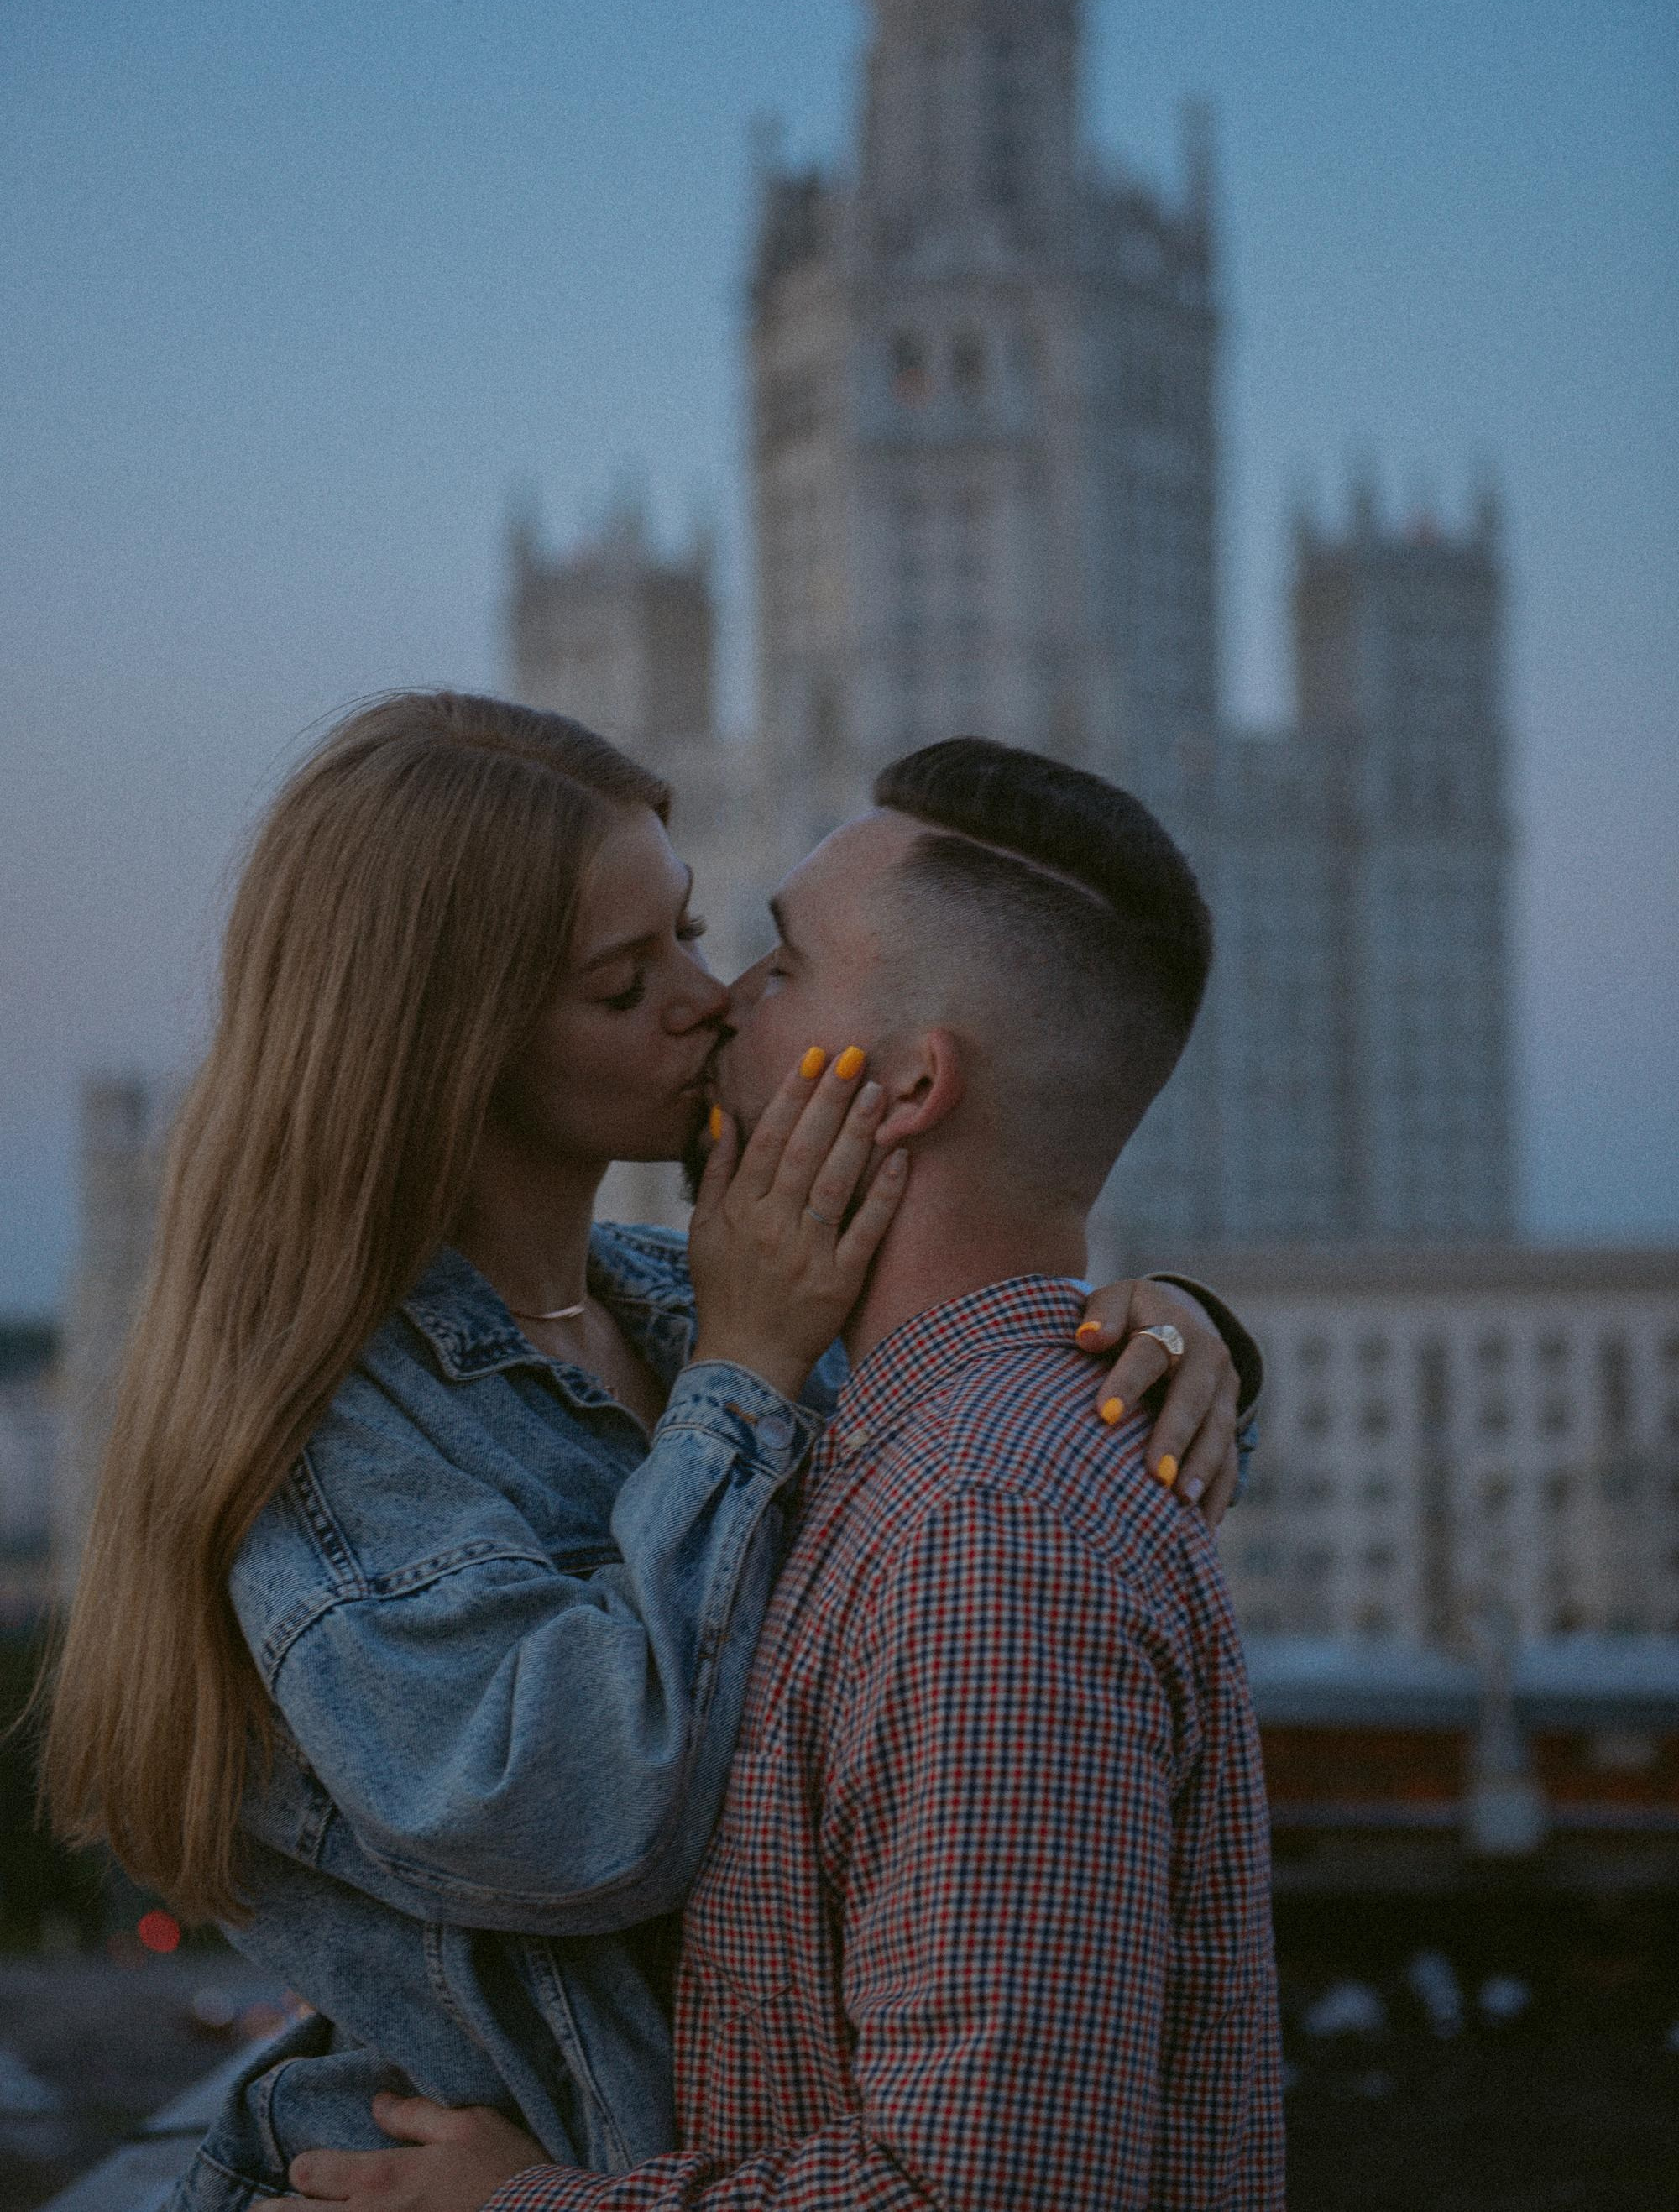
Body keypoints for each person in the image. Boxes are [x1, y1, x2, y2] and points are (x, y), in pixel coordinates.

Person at [43, 696, 1258, 2205]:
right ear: (453, 1049)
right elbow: (584, 1821)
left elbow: (971, 1519)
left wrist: (1151, 1339)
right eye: (632, 981)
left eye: (696, 931)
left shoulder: (701, 1303)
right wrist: (746, 1378)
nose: (715, 996)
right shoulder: (349, 1427)